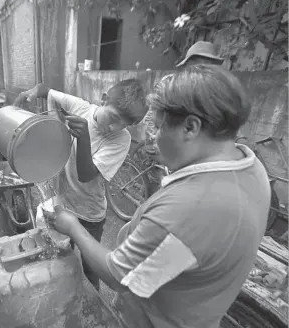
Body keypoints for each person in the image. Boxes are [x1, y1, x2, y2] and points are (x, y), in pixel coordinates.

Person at [45, 65, 270, 328]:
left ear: (190, 128)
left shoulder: (190, 211)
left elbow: (118, 276)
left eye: (160, 128)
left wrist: (72, 225)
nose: (154, 138)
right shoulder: (250, 167)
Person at [15, 80, 149, 290]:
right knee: (57, 258)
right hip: (62, 204)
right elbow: (46, 89)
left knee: (90, 269)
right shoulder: (81, 108)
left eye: (123, 124)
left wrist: (84, 137)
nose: (113, 127)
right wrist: (31, 93)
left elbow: (86, 175)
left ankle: (91, 307)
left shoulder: (120, 140)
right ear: (103, 99)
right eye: (113, 117)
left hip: (89, 215)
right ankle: (63, 294)